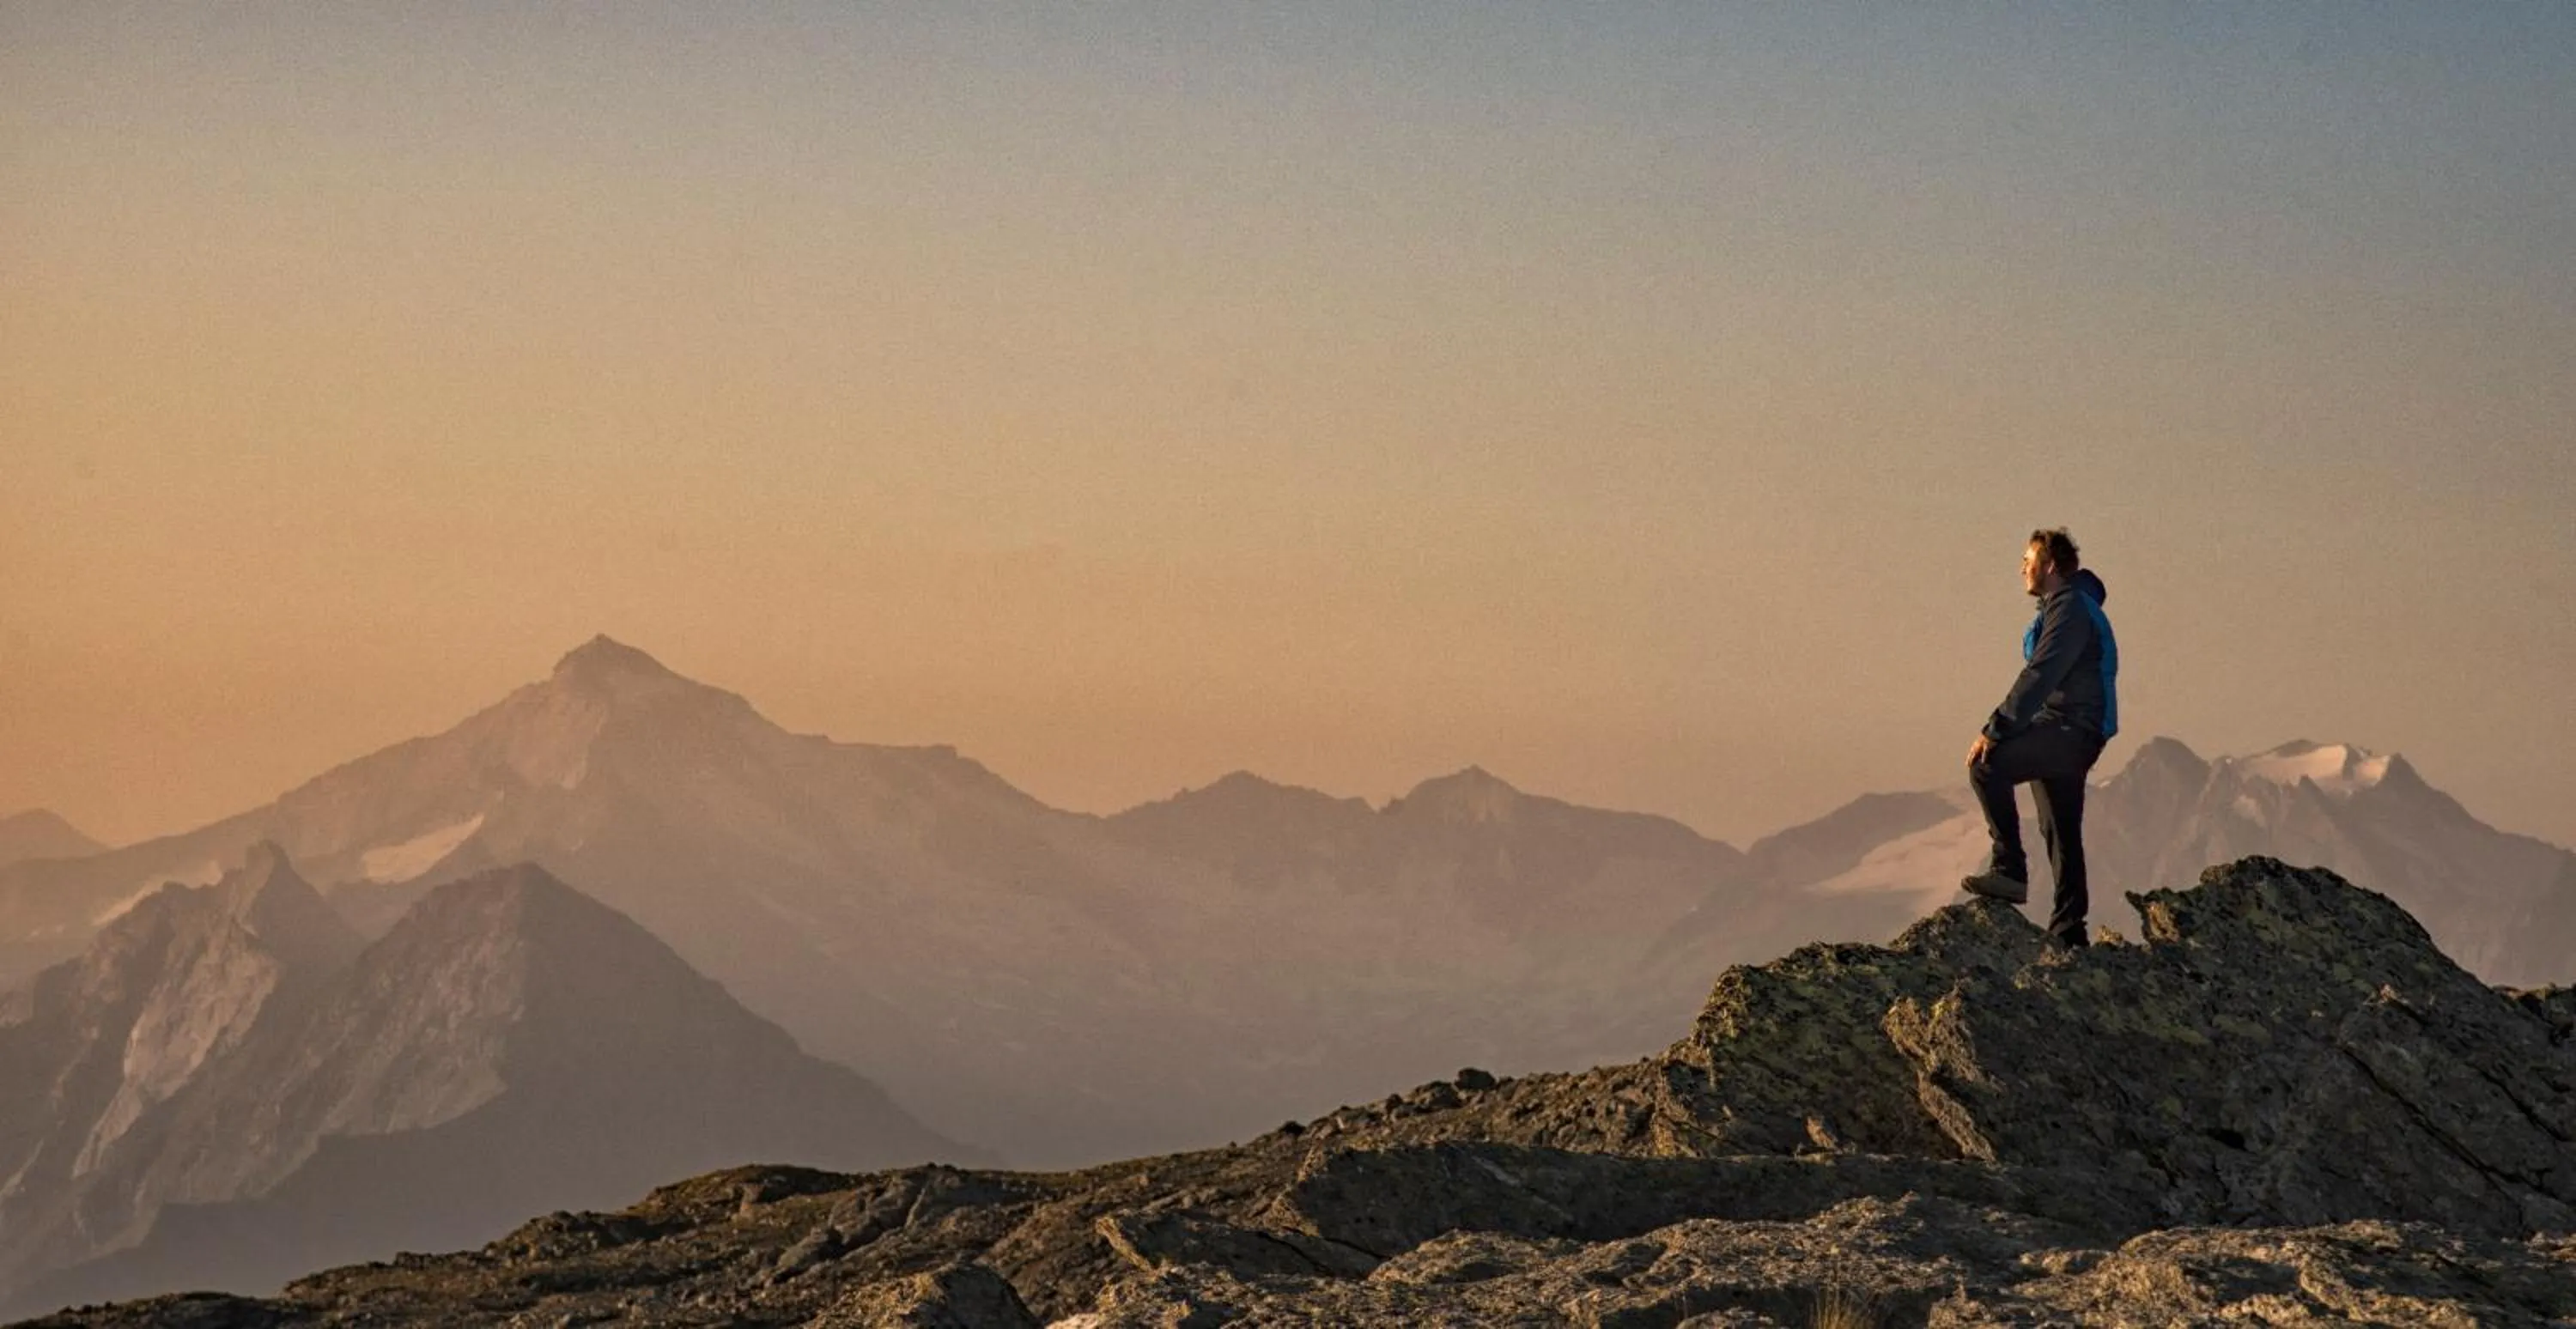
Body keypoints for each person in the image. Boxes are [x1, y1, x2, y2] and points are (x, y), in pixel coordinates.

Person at [1961, 527, 2118, 948]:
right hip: (2077, 732)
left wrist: (1996, 729)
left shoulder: (2068, 610)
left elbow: (2041, 673)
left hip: (2069, 729)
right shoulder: (2068, 607)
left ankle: (2009, 871)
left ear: (2049, 566)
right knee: (2061, 828)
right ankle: (2070, 930)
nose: (2021, 569)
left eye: (2027, 561)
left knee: (1987, 766)